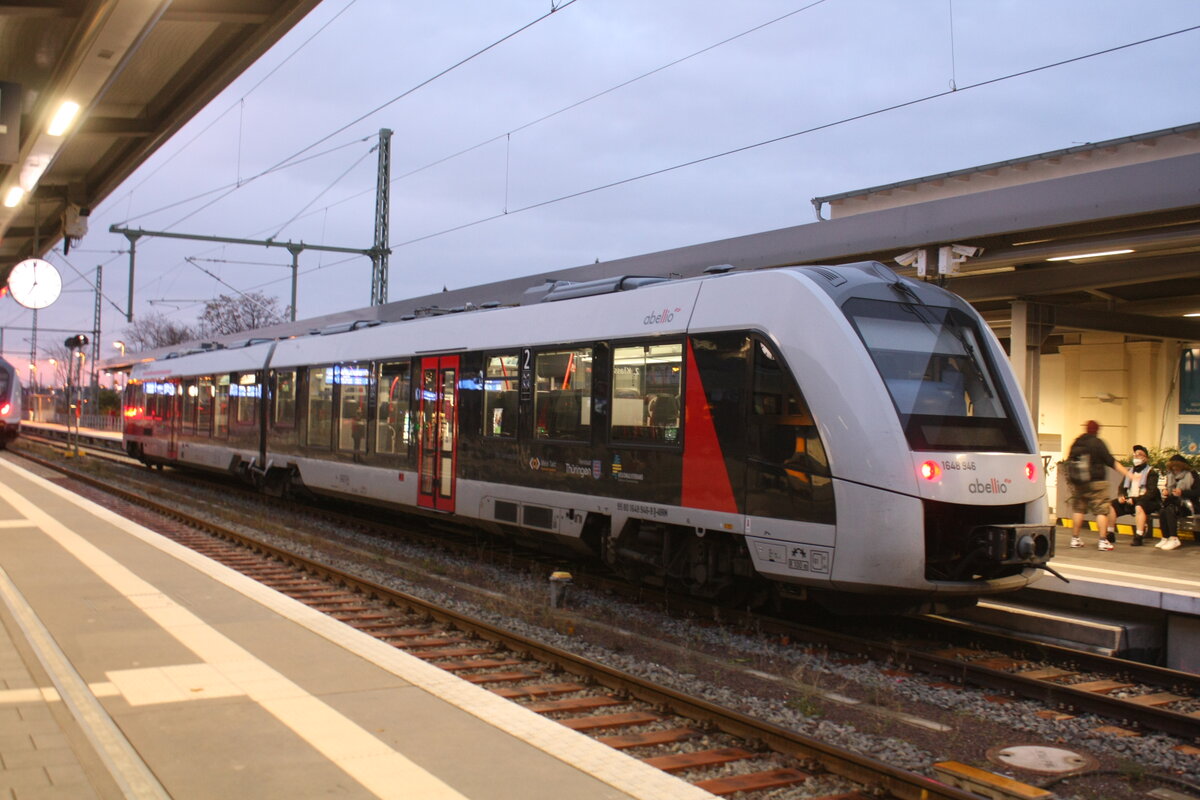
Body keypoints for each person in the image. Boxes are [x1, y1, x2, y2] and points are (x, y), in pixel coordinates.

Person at [1066, 420, 1130, 551]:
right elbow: (1110, 461)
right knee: (1101, 510)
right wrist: (1129, 474)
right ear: (1096, 430)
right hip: (1097, 482)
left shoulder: (1077, 443)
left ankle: (1075, 539)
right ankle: (1102, 541)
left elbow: (1069, 462)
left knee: (1079, 509)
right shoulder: (1097, 443)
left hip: (1079, 482)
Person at [1110, 445, 1160, 546]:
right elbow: (1122, 487)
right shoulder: (1130, 472)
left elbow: (1151, 492)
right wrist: (1122, 496)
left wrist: (1136, 499)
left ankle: (1139, 536)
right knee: (1111, 505)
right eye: (1135, 455)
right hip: (1131, 500)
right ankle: (1110, 533)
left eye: (1140, 455)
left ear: (1146, 458)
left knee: (1139, 506)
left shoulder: (1151, 473)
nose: (1136, 457)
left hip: (1147, 501)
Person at [1158, 453, 1198, 551]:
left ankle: (1173, 538)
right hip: (1174, 502)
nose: (1174, 468)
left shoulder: (1191, 475)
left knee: (1170, 509)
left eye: (1176, 466)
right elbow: (1169, 490)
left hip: (1189, 505)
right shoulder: (1171, 475)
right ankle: (1165, 537)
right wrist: (1166, 491)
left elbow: (1197, 492)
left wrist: (1182, 493)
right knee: (1163, 510)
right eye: (1172, 466)